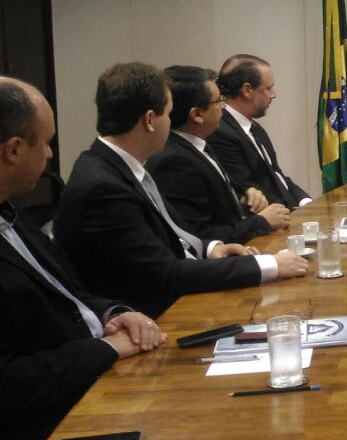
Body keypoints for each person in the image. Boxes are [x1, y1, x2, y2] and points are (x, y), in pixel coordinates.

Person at [0, 78, 166, 440]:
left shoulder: (12, 211)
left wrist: (114, 313)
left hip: (96, 379)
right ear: (14, 149)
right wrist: (104, 348)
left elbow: (70, 292)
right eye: (46, 142)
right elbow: (8, 385)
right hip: (41, 433)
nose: (51, 154)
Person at [54, 63, 308, 318]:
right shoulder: (103, 188)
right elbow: (164, 275)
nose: (172, 123)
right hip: (156, 317)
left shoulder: (119, 167)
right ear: (150, 120)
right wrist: (268, 264)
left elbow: (176, 234)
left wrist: (210, 248)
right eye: (168, 113)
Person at [146, 66, 290, 244]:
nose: (224, 106)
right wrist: (262, 222)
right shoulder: (175, 163)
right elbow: (199, 235)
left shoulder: (198, 144)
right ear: (197, 114)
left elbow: (214, 207)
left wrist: (243, 199)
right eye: (219, 101)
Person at [208, 54, 311, 208]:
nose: (274, 94)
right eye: (268, 88)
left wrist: (306, 202)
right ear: (247, 90)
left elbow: (276, 175)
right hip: (271, 217)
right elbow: (249, 191)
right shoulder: (221, 133)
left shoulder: (255, 128)